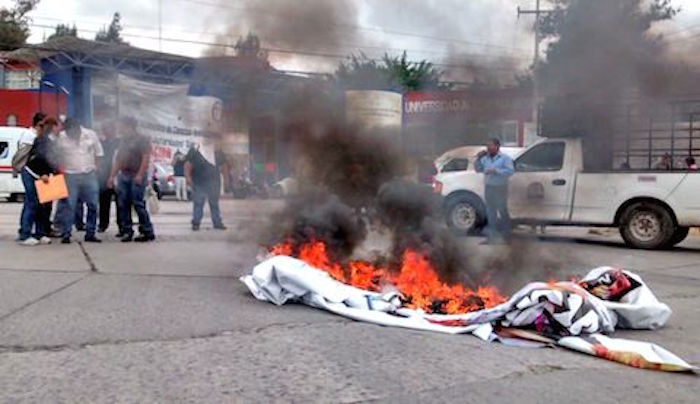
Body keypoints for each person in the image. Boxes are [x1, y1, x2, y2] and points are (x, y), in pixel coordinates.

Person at [55, 118, 104, 244]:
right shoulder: (61, 137)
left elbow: (99, 153)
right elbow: (56, 156)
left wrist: (98, 170)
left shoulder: (90, 135)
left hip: (89, 173)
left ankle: (90, 233)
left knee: (93, 205)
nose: (71, 135)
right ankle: (66, 233)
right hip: (70, 174)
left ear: (77, 128)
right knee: (69, 205)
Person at [108, 117, 155, 242]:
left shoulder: (142, 140)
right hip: (124, 174)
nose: (119, 129)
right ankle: (127, 230)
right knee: (123, 204)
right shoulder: (123, 141)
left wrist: (140, 174)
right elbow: (119, 159)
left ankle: (147, 230)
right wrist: (112, 176)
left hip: (136, 174)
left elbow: (146, 158)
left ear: (129, 126)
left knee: (138, 203)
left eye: (121, 126)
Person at [17, 117, 57, 246]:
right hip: (33, 173)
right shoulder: (43, 140)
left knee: (42, 205)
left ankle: (40, 233)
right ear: (53, 127)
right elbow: (41, 157)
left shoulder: (49, 140)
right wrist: (45, 173)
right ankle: (25, 234)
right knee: (32, 203)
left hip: (40, 175)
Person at [474, 138, 514, 244]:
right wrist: (478, 158)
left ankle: (506, 236)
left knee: (502, 211)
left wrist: (496, 171)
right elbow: (478, 169)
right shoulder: (485, 158)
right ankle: (492, 237)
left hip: (500, 187)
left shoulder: (505, 158)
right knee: (490, 213)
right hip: (489, 187)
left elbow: (510, 171)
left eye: (490, 145)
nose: (488, 148)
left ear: (497, 146)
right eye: (487, 145)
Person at [183, 140, 227, 231]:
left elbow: (223, 165)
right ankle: (196, 222)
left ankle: (217, 222)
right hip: (198, 181)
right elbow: (188, 164)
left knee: (214, 203)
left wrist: (226, 179)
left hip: (213, 181)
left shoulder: (217, 150)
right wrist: (187, 177)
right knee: (199, 202)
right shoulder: (195, 149)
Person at [97, 121, 123, 234]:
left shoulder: (120, 142)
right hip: (104, 175)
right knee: (103, 201)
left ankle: (121, 224)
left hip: (118, 175)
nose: (108, 131)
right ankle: (103, 224)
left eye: (110, 129)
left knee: (121, 202)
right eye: (106, 129)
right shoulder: (101, 143)